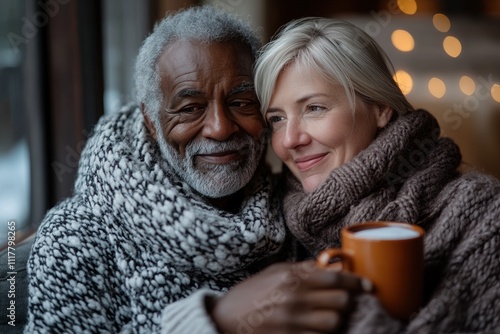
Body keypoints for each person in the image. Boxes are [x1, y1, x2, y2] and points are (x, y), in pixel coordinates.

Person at [25, 7, 372, 334]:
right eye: (190, 108)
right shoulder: (75, 237)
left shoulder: (299, 211)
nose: (220, 129)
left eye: (241, 103)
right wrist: (216, 321)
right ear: (151, 120)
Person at [252, 17, 500, 333]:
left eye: (314, 108)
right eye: (277, 118)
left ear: (380, 108)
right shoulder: (267, 224)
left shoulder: (483, 213)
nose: (289, 139)